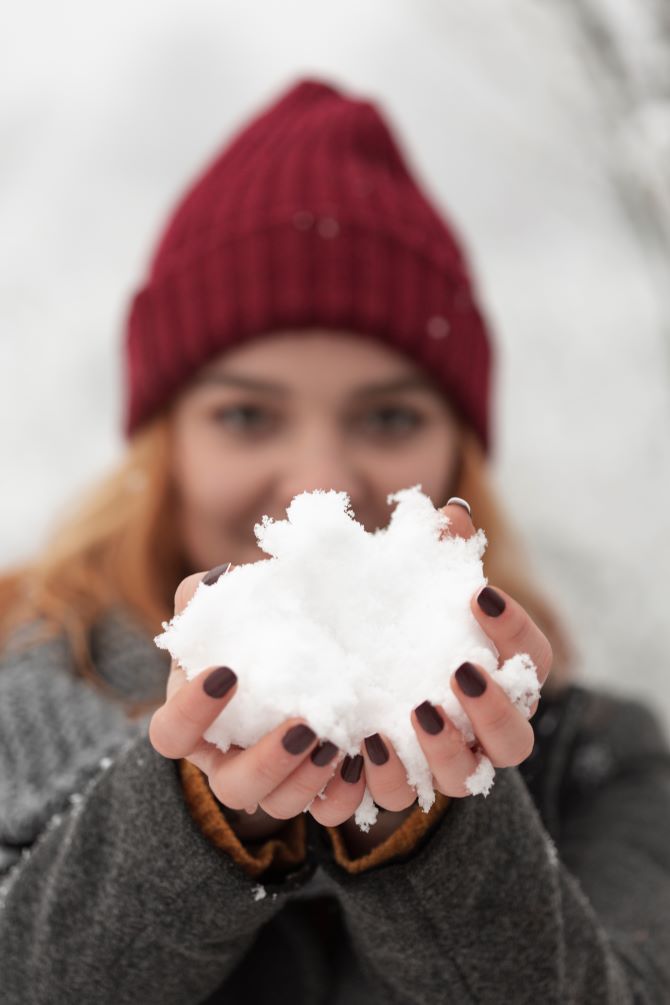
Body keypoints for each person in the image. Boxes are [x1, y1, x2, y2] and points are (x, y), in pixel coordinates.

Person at [0, 76, 668, 1005]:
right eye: (246, 414)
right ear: (168, 445)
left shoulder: (590, 760)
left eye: (389, 416)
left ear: (459, 455)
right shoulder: (11, 721)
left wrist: (435, 828)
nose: (320, 481)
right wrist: (191, 816)